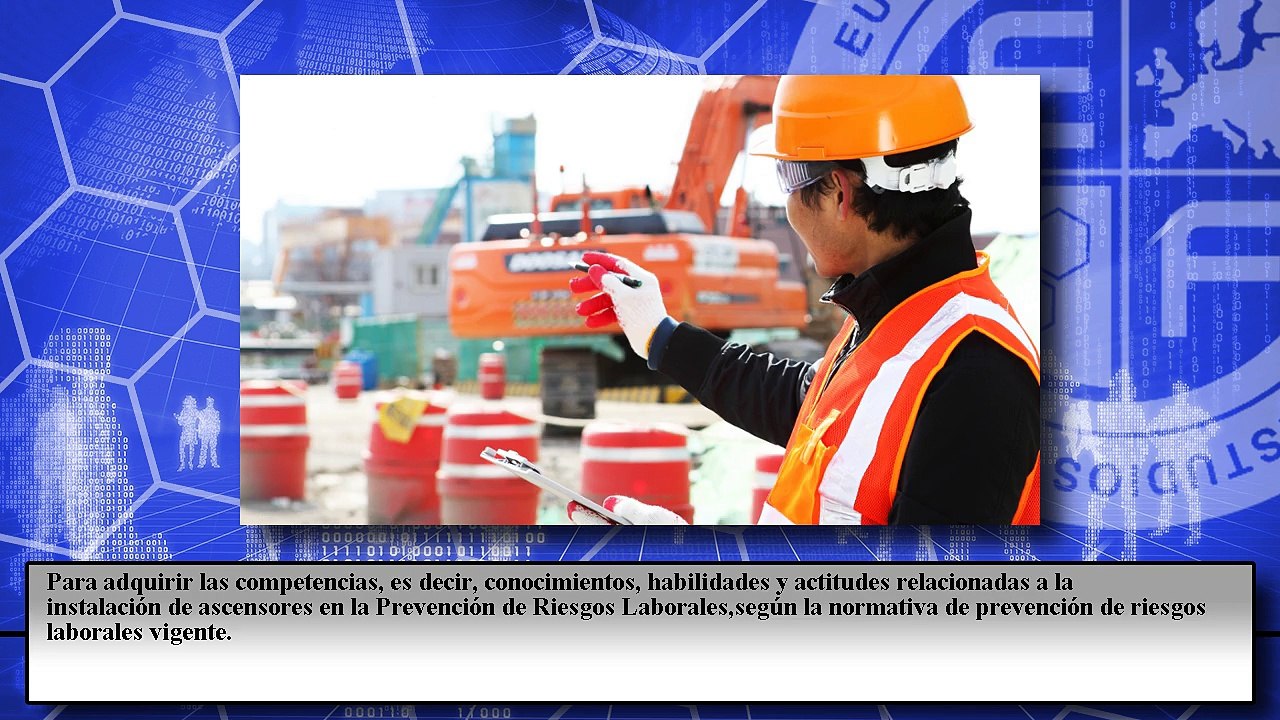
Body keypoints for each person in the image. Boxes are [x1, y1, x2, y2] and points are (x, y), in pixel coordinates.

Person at [567, 75, 1040, 526]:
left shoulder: (977, 371)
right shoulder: (899, 316)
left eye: (787, 180)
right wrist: (659, 335)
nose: (789, 207)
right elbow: (810, 407)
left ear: (839, 193)